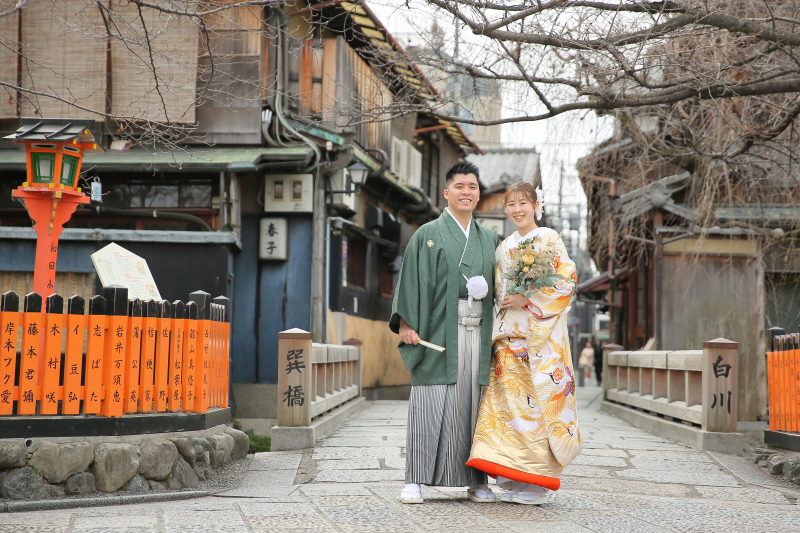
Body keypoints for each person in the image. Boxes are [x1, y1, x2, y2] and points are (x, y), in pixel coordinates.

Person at [389, 161, 501, 504]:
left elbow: (504, 286)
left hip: (478, 331)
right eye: (460, 186)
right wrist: (407, 323)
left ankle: (477, 481)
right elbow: (411, 281)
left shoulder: (490, 239)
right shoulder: (428, 234)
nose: (467, 192)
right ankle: (415, 479)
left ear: (478, 193)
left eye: (473, 186)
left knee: (475, 406)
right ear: (447, 193)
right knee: (430, 401)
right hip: (439, 331)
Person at [466, 182, 582, 506]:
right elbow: (501, 290)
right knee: (508, 410)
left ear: (535, 205)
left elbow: (565, 281)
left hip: (540, 342)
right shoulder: (503, 247)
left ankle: (538, 481)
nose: (517, 210)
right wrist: (502, 297)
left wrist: (528, 298)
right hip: (508, 340)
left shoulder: (549, 239)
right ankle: (514, 476)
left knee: (539, 409)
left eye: (523, 203)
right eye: (511, 205)